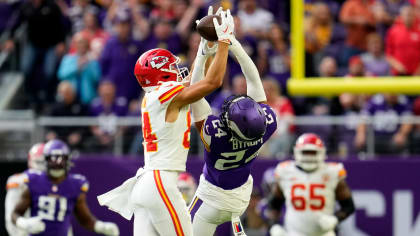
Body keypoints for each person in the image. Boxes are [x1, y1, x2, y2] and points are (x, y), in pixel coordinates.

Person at [97, 7, 234, 236]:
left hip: (146, 184)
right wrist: (224, 42)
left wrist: (203, 49)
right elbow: (212, 83)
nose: (176, 70)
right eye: (171, 67)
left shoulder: (155, 95)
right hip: (161, 183)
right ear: (160, 73)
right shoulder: (164, 93)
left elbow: (192, 82)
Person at [186, 18, 278, 236]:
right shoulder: (266, 125)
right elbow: (254, 80)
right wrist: (232, 41)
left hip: (211, 198)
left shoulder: (216, 137)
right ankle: (235, 222)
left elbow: (195, 91)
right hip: (240, 197)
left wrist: (204, 50)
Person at [11, 139, 119, 236]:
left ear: (67, 160)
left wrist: (100, 226)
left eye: (61, 159)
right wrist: (24, 223)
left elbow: (84, 219)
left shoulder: (75, 184)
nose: (57, 163)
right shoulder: (33, 181)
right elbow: (15, 213)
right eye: (53, 159)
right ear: (46, 160)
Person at [264, 133, 355, 236]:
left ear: (321, 153)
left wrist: (335, 219)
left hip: (324, 233)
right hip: (294, 233)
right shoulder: (285, 172)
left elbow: (349, 206)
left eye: (312, 153)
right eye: (305, 152)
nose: (309, 156)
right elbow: (273, 206)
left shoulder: (332, 172)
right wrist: (273, 226)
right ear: (297, 152)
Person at [5, 143, 45, 236]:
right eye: (39, 162)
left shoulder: (60, 184)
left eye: (45, 162)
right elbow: (10, 216)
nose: (43, 167)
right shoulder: (20, 181)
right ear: (30, 161)